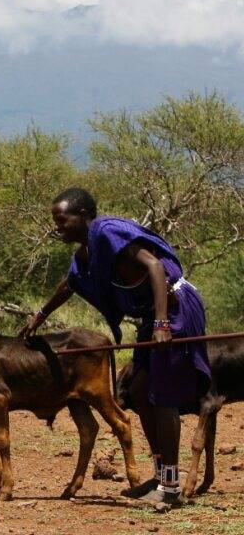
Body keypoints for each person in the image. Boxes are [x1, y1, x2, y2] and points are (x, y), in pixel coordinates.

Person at [19, 187, 211, 506]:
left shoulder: (107, 231)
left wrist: (163, 323)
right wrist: (40, 315)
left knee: (161, 396)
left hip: (174, 305)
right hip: (154, 314)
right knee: (137, 392)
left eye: (61, 219)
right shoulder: (86, 254)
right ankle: (160, 476)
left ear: (82, 216)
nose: (57, 226)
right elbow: (70, 283)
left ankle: (172, 489)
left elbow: (154, 266)